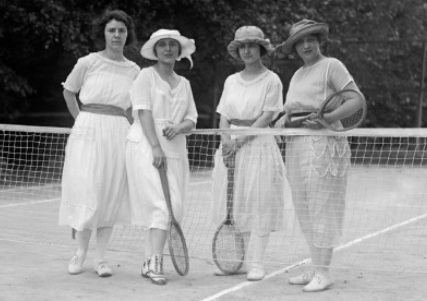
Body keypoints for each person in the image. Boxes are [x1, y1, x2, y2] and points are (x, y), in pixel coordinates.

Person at [275, 19, 364, 292]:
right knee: (303, 207)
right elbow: (291, 110)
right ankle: (314, 265)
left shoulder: (332, 66)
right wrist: (281, 121)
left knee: (322, 205)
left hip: (324, 145)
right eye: (300, 42)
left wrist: (328, 119)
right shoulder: (298, 74)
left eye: (310, 39)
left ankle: (324, 272)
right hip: (297, 145)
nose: (306, 45)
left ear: (318, 41)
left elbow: (356, 100)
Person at [58, 10, 140, 277]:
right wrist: (81, 121)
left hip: (119, 132)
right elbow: (69, 91)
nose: (117, 34)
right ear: (103, 33)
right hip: (88, 129)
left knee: (110, 193)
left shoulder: (134, 70)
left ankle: (101, 259)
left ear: (128, 35)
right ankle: (79, 253)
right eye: (111, 30)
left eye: (121, 30)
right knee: (87, 189)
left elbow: (133, 110)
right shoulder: (88, 62)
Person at [210, 26, 291, 281]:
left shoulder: (272, 80)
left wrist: (240, 140)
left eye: (251, 45)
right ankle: (238, 261)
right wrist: (226, 143)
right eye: (242, 46)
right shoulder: (230, 81)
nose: (246, 50)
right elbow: (223, 117)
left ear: (261, 49)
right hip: (230, 148)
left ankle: (257, 262)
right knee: (236, 203)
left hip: (258, 146)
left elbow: (267, 115)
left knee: (259, 202)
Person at [126, 29, 197, 285]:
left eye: (172, 45)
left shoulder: (185, 84)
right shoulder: (145, 76)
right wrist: (155, 146)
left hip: (176, 149)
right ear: (155, 51)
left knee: (173, 208)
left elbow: (192, 119)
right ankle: (155, 262)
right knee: (162, 206)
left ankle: (149, 260)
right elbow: (142, 112)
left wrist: (178, 127)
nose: (168, 49)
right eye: (162, 45)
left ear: (179, 52)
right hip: (146, 144)